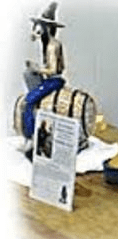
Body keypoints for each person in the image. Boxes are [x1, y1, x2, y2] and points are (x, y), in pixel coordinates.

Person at [23, 2, 66, 139]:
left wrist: (37, 69)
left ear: (46, 28)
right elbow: (61, 66)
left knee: (28, 102)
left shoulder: (51, 46)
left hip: (54, 81)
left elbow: (53, 70)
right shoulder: (52, 44)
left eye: (39, 26)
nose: (37, 29)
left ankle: (31, 137)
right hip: (54, 79)